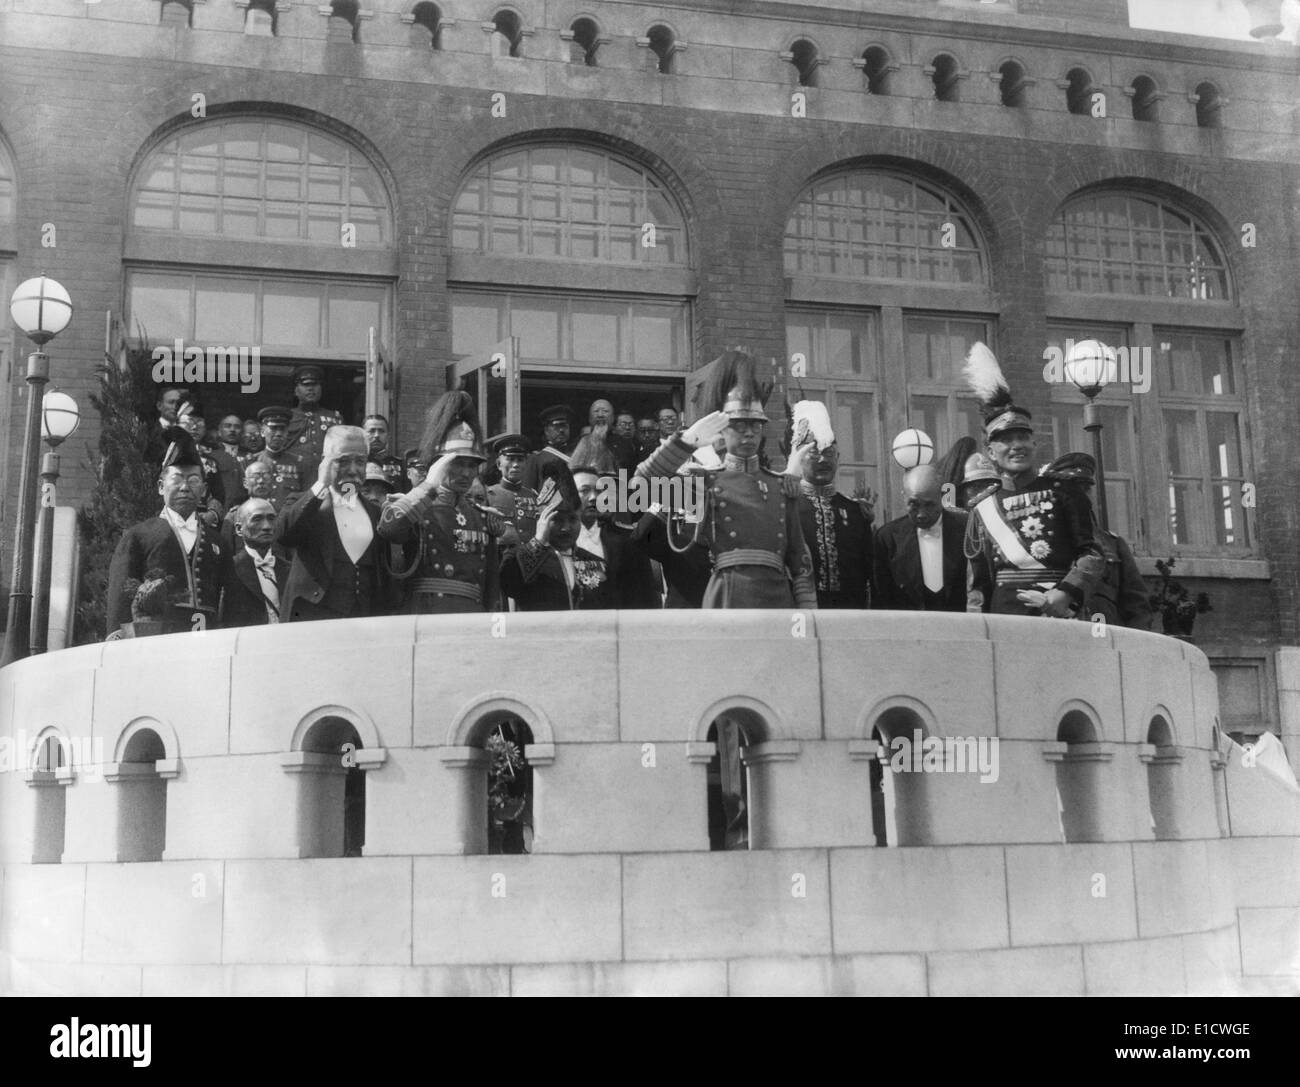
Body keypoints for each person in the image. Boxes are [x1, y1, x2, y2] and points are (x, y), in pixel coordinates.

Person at [636, 349, 817, 609]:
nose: (748, 434)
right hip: (727, 596)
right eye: (739, 426)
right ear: (723, 428)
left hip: (778, 600)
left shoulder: (780, 485)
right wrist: (684, 444)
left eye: (755, 426)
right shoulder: (705, 481)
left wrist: (807, 615)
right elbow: (639, 484)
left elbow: (800, 560)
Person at [962, 342, 1105, 617]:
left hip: (1060, 609)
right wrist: (976, 624)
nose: (1017, 445)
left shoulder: (1064, 492)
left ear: (1034, 442)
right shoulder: (981, 509)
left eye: (1022, 437)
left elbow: (1093, 554)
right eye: (1006, 440)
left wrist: (1066, 593)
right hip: (1005, 615)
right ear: (991, 451)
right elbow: (977, 583)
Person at [376, 392, 513, 614]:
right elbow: (389, 528)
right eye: (458, 464)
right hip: (427, 612)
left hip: (472, 615)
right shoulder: (417, 507)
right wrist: (429, 484)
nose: (467, 473)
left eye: (472, 465)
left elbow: (490, 586)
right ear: (439, 464)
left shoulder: (482, 516)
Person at [106, 431, 225, 637]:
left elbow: (231, 598)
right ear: (161, 487)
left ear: (204, 490)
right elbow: (120, 594)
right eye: (177, 479)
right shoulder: (138, 536)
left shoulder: (217, 541)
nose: (185, 488)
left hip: (210, 639)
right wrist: (117, 636)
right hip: (155, 638)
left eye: (193, 480)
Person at [276, 425, 391, 622]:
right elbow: (284, 535)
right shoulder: (304, 502)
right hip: (312, 618)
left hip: (362, 620)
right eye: (343, 461)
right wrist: (321, 485)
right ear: (326, 462)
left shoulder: (375, 512)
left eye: (360, 461)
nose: (353, 470)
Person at [1040, 453, 1152, 630]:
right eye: (1071, 488)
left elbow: (1137, 605)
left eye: (1084, 488)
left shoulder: (1112, 544)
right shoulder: (1038, 541)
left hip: (1100, 629)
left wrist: (1136, 647)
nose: (1078, 495)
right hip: (1052, 632)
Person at [500, 461, 618, 610]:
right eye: (557, 520)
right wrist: (538, 542)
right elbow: (509, 586)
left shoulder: (597, 563)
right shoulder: (518, 558)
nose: (566, 528)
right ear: (541, 520)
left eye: (573, 519)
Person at [791, 400, 873, 609]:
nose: (822, 460)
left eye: (828, 453)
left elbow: (868, 571)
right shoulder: (788, 507)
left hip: (850, 613)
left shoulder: (855, 512)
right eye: (814, 452)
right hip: (800, 610)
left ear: (838, 457)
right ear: (799, 457)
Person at [873, 464, 970, 611]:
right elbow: (881, 598)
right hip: (909, 628)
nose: (921, 514)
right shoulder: (887, 538)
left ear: (943, 497)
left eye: (930, 505)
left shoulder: (966, 530)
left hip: (959, 626)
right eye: (913, 504)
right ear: (903, 496)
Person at [220, 498, 290, 627]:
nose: (267, 526)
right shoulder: (228, 570)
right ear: (239, 529)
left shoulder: (289, 570)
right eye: (257, 519)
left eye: (271, 518)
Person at [286, 364, 344, 480]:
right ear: (295, 390)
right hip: (294, 479)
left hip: (326, 478)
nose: (310, 389)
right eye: (305, 385)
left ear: (321, 389)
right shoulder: (287, 417)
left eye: (315, 384)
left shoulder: (335, 418)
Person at [486, 433, 540, 544]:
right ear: (498, 464)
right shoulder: (488, 495)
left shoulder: (534, 497)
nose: (515, 465)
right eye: (510, 459)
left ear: (525, 463)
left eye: (520, 460)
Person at [252, 405, 305, 509]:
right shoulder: (251, 462)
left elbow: (305, 497)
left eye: (282, 429)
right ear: (262, 431)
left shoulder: (299, 463)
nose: (279, 434)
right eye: (273, 428)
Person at [521, 404, 576, 490]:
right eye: (556, 426)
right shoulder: (536, 459)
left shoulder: (577, 455)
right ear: (546, 430)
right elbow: (527, 491)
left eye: (564, 426)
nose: (561, 430)